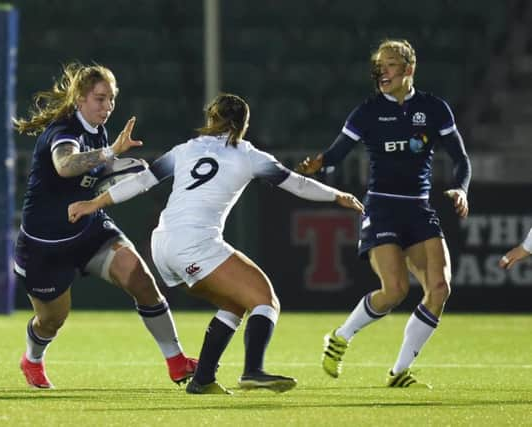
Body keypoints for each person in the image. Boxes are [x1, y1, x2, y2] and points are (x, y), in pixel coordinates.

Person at [68, 93, 364, 394]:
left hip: (163, 245)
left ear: (210, 119)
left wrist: (94, 203)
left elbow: (141, 182)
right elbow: (297, 184)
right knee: (265, 299)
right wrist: (336, 195)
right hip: (194, 243)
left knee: (234, 303)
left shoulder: (185, 149)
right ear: (244, 124)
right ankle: (253, 371)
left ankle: (203, 379)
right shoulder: (248, 155)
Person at [296, 39, 472, 389]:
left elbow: (461, 159)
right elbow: (336, 154)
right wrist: (319, 164)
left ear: (409, 69)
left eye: (389, 64)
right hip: (383, 207)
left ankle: (399, 372)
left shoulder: (434, 109)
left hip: (419, 208)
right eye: (378, 65)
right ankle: (341, 336)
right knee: (394, 291)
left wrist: (461, 188)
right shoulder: (367, 111)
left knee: (439, 288)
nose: (381, 71)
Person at [12, 63, 196, 389]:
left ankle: (177, 361)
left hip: (89, 229)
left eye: (111, 99)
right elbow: (65, 165)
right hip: (45, 245)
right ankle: (33, 359)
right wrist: (111, 154)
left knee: (141, 279)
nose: (107, 107)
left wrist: (121, 167)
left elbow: (93, 171)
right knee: (52, 321)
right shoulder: (63, 130)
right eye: (100, 98)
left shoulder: (98, 129)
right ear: (80, 98)